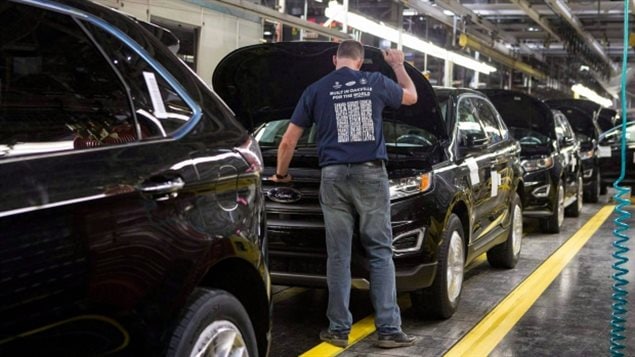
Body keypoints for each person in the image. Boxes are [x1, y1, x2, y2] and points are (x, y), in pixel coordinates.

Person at [270, 40, 418, 349]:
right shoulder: (375, 82)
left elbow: (287, 142)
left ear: (334, 59)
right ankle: (389, 330)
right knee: (379, 250)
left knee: (338, 255)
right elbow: (412, 97)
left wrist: (281, 174)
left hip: (333, 175)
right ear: (361, 62)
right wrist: (398, 65)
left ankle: (338, 330)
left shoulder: (316, 89)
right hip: (370, 174)